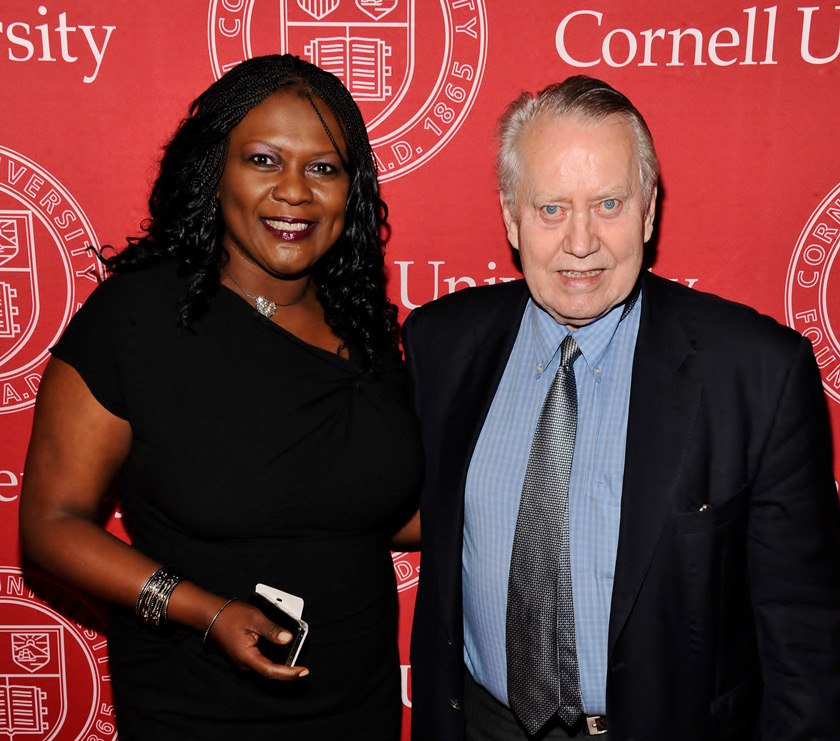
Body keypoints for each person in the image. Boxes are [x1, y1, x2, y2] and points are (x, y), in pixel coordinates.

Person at [403, 75, 840, 740]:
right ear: (510, 215)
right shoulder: (441, 343)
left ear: (649, 210)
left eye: (608, 203)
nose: (581, 242)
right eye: (551, 209)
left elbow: (805, 638)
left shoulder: (756, 373)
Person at [19, 54, 422, 740]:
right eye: (265, 160)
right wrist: (203, 609)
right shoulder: (140, 318)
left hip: (361, 707)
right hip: (199, 705)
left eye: (323, 168)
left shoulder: (368, 326)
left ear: (350, 191)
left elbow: (377, 507)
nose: (294, 191)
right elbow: (51, 524)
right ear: (215, 173)